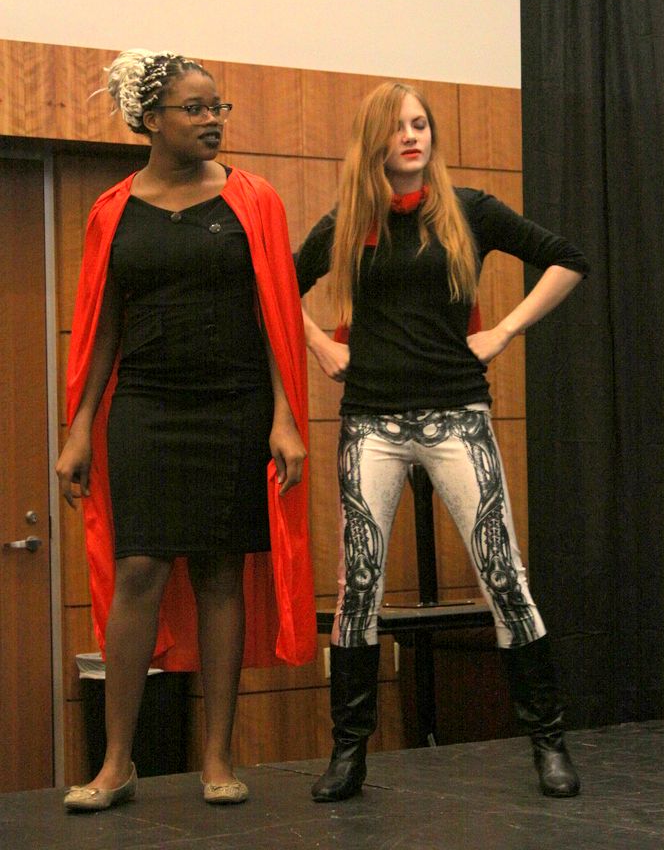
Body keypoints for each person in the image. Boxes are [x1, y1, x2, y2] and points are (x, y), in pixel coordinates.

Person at [296, 81, 588, 802]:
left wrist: (505, 329)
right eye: (398, 126)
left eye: (420, 124)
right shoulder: (348, 221)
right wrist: (319, 344)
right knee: (358, 587)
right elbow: (270, 285)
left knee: (504, 577)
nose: (412, 136)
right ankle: (348, 754)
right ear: (374, 139)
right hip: (371, 420)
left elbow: (566, 258)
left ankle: (548, 743)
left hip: (458, 413)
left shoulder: (469, 210)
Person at [57, 49, 316, 811]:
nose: (212, 120)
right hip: (144, 404)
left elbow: (274, 313)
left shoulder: (252, 199)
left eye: (217, 107)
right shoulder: (112, 210)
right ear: (149, 120)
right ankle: (116, 763)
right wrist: (79, 428)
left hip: (234, 403)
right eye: (195, 109)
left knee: (218, 572)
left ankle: (217, 755)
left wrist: (285, 418)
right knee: (137, 569)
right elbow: (101, 326)